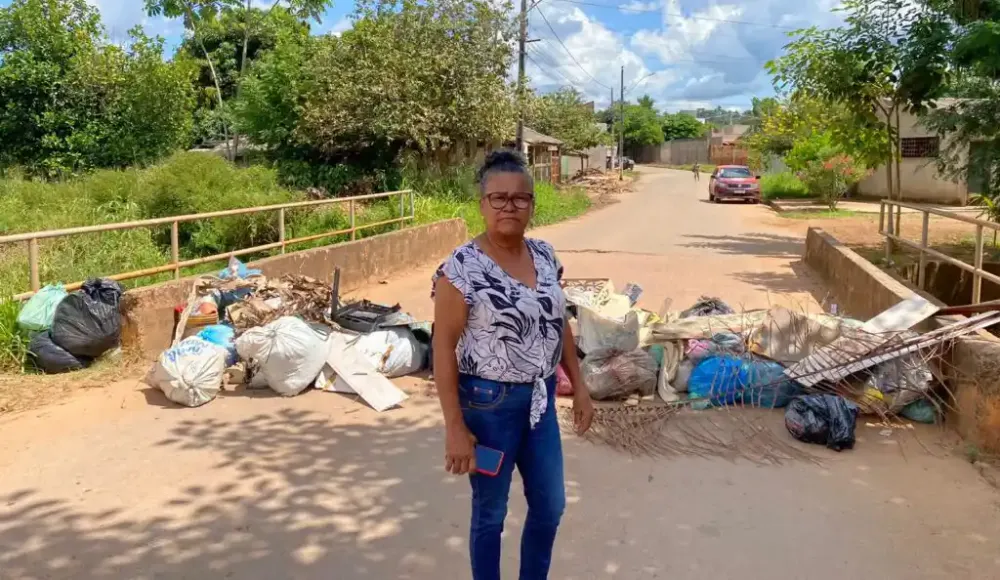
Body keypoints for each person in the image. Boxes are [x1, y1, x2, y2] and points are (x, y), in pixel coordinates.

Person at [432, 149, 594, 580]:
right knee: (491, 513)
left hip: (539, 404)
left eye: (520, 199)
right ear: (482, 205)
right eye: (498, 198)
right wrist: (454, 427)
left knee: (551, 506)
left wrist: (579, 385)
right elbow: (443, 348)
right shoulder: (460, 269)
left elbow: (558, 322)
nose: (509, 207)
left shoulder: (544, 255)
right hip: (487, 407)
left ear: (532, 204)